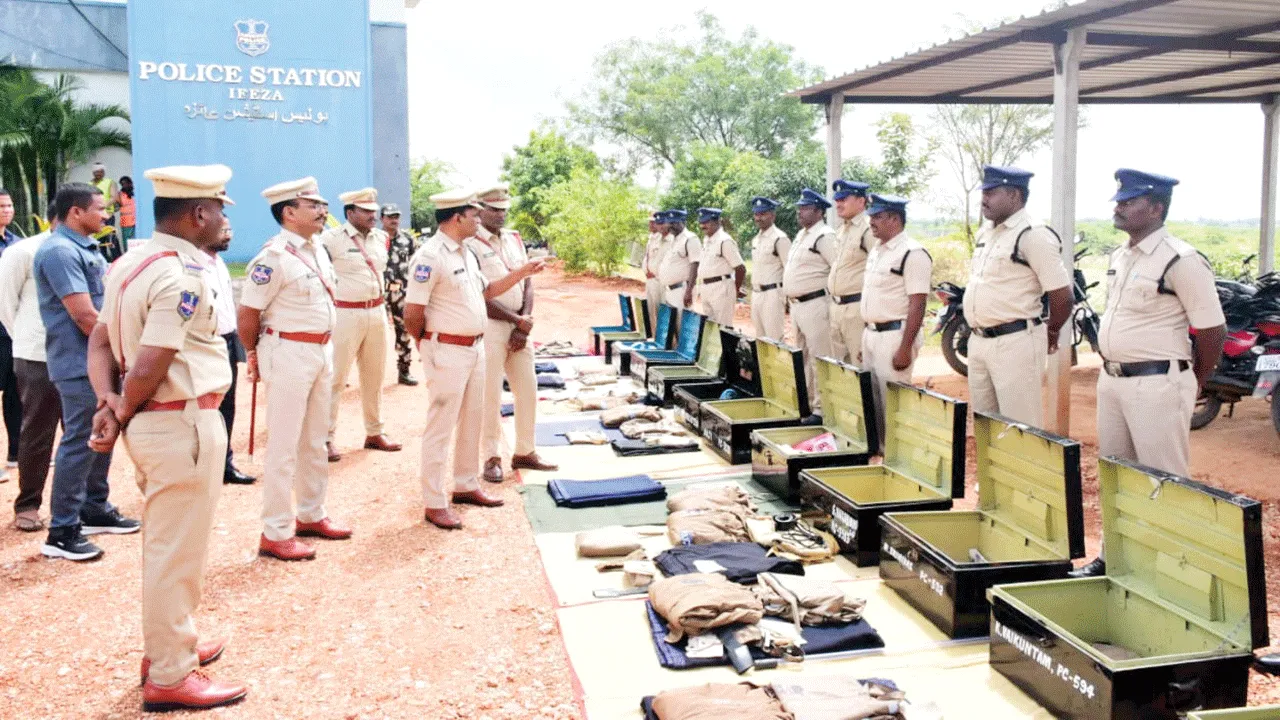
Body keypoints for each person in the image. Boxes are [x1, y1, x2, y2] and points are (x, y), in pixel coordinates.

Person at [86, 164, 247, 712]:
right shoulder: (182, 276)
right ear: (199, 213)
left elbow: (100, 341)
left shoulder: (129, 262)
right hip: (181, 422)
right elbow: (153, 360)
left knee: (171, 544)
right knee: (175, 552)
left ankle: (170, 646)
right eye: (219, 209)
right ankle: (171, 674)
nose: (223, 218)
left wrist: (108, 402)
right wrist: (121, 407)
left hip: (158, 422)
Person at [1070, 169, 1225, 578]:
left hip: (1157, 383)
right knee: (1116, 473)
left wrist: (1194, 382)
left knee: (1164, 479)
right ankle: (1115, 559)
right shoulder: (1121, 256)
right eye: (1119, 199)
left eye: (1130, 200)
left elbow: (1212, 330)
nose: (1119, 206)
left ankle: (1175, 570)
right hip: (1113, 380)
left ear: (1156, 208)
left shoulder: (1181, 259)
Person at [405, 188, 545, 530]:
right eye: (474, 215)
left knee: (472, 419)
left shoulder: (464, 252)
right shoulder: (430, 256)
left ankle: (466, 484)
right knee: (441, 426)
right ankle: (434, 501)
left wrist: (522, 272)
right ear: (457, 218)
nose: (479, 220)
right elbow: (412, 312)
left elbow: (487, 291)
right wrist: (426, 344)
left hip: (474, 347)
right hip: (446, 349)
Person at [238, 177, 352, 562]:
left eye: (322, 204)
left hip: (320, 351)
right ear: (289, 212)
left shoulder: (318, 250)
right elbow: (248, 313)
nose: (323, 211)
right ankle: (275, 531)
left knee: (315, 440)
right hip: (287, 352)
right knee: (284, 446)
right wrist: (253, 354)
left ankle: (311, 514)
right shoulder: (273, 257)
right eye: (313, 205)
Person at [34, 183, 139, 561]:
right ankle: (62, 530)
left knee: (103, 430)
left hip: (97, 360)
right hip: (79, 363)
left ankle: (93, 507)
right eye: (99, 208)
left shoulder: (84, 247)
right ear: (76, 212)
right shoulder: (60, 251)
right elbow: (84, 316)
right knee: (81, 440)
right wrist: (124, 344)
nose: (106, 214)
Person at [964, 165, 1072, 428]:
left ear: (1014, 195)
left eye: (991, 192)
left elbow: (1062, 295)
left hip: (1015, 342)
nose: (984, 199)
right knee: (984, 425)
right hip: (979, 340)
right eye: (983, 192)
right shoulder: (987, 232)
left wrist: (1052, 332)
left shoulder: (1033, 234)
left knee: (1019, 428)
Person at [467, 184, 558, 483]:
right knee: (490, 395)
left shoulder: (513, 238)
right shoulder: (471, 243)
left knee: (527, 389)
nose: (500, 215)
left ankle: (525, 451)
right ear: (480, 210)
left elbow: (527, 281)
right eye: (494, 210)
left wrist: (524, 321)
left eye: (504, 210)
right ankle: (491, 457)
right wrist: (516, 320)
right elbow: (478, 294)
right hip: (491, 325)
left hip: (519, 325)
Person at [320, 188, 400, 460]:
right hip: (345, 313)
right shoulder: (330, 240)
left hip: (376, 311)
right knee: (336, 378)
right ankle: (325, 437)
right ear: (350, 212)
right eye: (365, 211)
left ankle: (375, 432)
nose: (372, 216)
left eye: (373, 211)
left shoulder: (381, 238)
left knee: (375, 376)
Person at [0, 204, 60, 530]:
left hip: (82, 356)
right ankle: (28, 505)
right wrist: (26, 339)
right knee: (37, 430)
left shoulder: (91, 253)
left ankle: (85, 503)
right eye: (97, 210)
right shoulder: (23, 252)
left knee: (86, 432)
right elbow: (5, 305)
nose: (105, 218)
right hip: (38, 355)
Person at [860, 194, 932, 451]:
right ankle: (882, 454)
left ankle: (900, 457)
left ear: (894, 219)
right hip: (871, 333)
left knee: (894, 403)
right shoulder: (877, 250)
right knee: (874, 402)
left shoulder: (912, 253)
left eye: (877, 217)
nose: (871, 222)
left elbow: (918, 303)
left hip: (894, 336)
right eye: (871, 216)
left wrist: (905, 348)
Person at [783, 188, 837, 416]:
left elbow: (837, 269)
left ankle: (822, 410)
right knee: (803, 358)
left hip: (816, 303)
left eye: (805, 208)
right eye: (799, 208)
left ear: (818, 211)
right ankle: (808, 405)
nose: (800, 212)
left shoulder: (825, 236)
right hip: (798, 305)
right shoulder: (802, 235)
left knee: (819, 357)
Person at [208, 224, 255, 485]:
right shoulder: (195, 265)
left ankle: (224, 464)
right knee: (206, 408)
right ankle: (206, 466)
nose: (228, 234)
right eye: (222, 230)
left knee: (227, 405)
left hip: (227, 340)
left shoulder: (218, 263)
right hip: (207, 344)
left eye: (229, 230)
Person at [828, 179, 874, 365]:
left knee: (860, 365)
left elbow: (878, 271)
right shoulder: (842, 229)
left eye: (844, 199)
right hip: (837, 307)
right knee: (840, 368)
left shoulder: (868, 229)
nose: (838, 204)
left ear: (861, 201)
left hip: (856, 308)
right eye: (837, 200)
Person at [381, 203, 421, 386]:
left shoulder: (408, 239)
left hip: (402, 293)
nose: (393, 220)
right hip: (379, 294)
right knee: (374, 333)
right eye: (390, 217)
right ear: (382, 219)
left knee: (404, 332)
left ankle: (404, 370)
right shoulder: (375, 239)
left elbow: (417, 263)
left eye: (396, 216)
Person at [748, 197, 790, 341]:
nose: (758, 218)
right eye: (756, 214)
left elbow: (789, 269)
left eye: (763, 214)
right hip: (756, 293)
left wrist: (788, 298)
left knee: (774, 338)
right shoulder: (756, 239)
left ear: (772, 215)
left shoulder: (780, 238)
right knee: (760, 339)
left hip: (772, 294)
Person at [695, 208, 746, 327]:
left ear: (718, 221)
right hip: (706, 287)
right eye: (701, 223)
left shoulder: (725, 241)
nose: (703, 226)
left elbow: (740, 268)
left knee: (723, 327)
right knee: (710, 328)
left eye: (706, 222)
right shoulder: (707, 240)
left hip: (721, 288)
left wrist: (735, 288)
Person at [0, 189, 20, 484]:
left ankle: (16, 453)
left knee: (16, 391)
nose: (6, 209)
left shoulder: (16, 244)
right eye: (1, 206)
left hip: (11, 329)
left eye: (8, 205)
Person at [657, 210, 702, 315]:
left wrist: (689, 291)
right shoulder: (674, 240)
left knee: (680, 321)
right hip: (670, 291)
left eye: (674, 223)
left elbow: (695, 265)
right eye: (669, 222)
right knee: (672, 323)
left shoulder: (690, 239)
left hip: (682, 290)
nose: (670, 226)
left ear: (683, 222)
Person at [642, 211, 670, 331]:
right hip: (649, 279)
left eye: (654, 222)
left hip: (658, 280)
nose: (651, 225)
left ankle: (662, 338)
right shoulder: (651, 238)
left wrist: (656, 274)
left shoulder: (663, 239)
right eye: (651, 222)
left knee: (660, 312)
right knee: (650, 312)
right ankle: (654, 336)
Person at [116, 175, 137, 247]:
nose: (124, 186)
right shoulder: (119, 194)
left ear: (130, 183)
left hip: (135, 222)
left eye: (126, 183)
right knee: (127, 243)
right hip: (126, 222)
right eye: (122, 184)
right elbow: (116, 206)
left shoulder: (135, 193)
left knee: (136, 243)